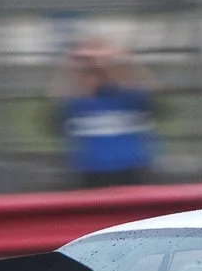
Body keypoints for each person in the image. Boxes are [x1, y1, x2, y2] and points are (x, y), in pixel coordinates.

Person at [53, 37, 159, 188]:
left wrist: (125, 59)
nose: (91, 82)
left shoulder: (127, 100)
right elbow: (60, 92)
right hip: (91, 169)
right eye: (88, 77)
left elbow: (149, 88)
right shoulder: (77, 105)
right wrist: (70, 62)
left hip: (130, 167)